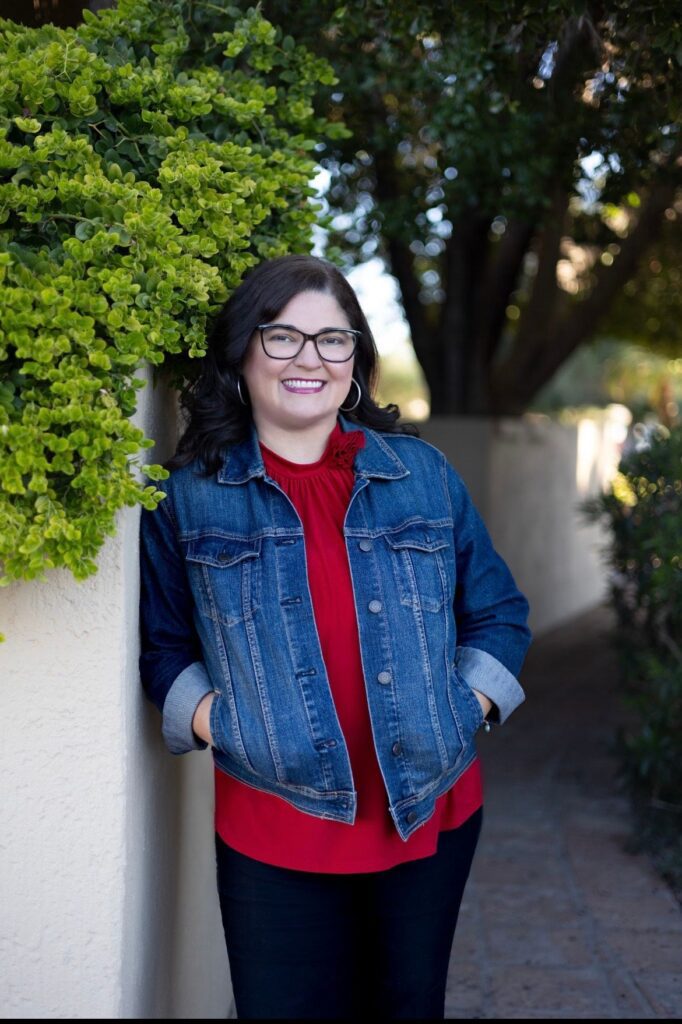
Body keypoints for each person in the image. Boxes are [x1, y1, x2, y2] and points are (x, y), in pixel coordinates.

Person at [138, 253, 532, 1020]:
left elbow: (499, 612)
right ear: (242, 353)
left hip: (427, 808)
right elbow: (163, 647)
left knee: (406, 1007)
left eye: (333, 339)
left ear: (356, 359)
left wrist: (467, 709)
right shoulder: (187, 500)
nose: (308, 359)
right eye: (281, 337)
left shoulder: (422, 475)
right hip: (271, 821)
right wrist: (223, 723)